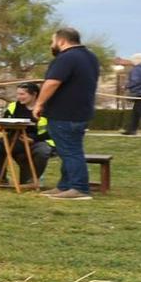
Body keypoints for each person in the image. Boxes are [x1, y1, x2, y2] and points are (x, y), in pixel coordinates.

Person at [33, 26, 100, 200]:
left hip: (64, 113)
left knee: (70, 151)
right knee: (67, 150)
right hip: (82, 111)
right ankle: (65, 186)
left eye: (52, 41)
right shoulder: (90, 57)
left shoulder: (66, 58)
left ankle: (79, 187)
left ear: (61, 40)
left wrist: (39, 103)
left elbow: (52, 82)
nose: (52, 44)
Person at [0, 81, 54, 184]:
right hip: (16, 139)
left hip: (38, 141)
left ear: (34, 94)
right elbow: (4, 124)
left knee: (42, 151)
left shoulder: (45, 109)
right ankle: (1, 178)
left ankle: (33, 179)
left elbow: (52, 131)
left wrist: (33, 139)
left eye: (22, 94)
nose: (19, 97)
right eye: (17, 94)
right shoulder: (13, 106)